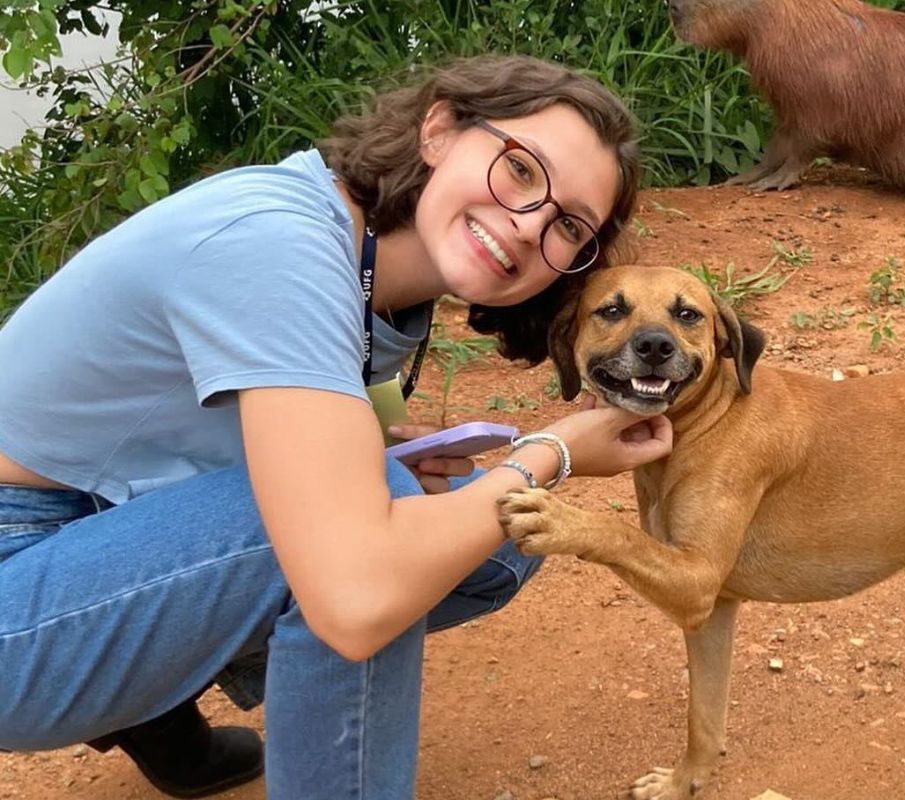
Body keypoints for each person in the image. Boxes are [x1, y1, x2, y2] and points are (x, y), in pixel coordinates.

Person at [0, 54, 671, 798]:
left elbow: (348, 391)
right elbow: (354, 597)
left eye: (568, 225)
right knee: (363, 542)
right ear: (440, 129)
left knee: (498, 538)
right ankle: (153, 693)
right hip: (16, 561)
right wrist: (551, 451)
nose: (526, 224)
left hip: (95, 516)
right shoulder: (279, 247)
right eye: (520, 171)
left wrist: (395, 446)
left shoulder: (375, 267)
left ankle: (148, 693)